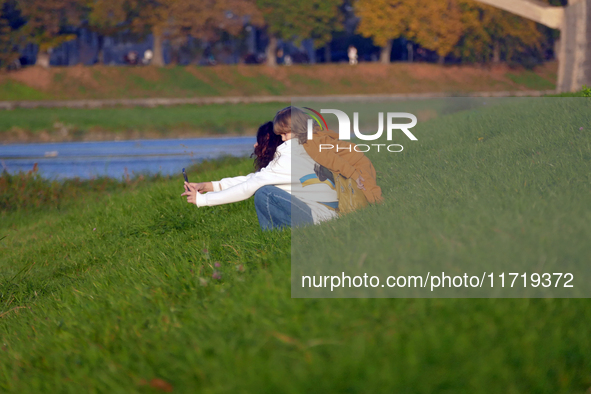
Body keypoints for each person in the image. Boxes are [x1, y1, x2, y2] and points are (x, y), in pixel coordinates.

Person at [181, 118, 338, 230]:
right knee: (263, 187)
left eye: (259, 141)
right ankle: (278, 236)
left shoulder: (287, 160)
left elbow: (249, 186)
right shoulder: (298, 153)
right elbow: (253, 179)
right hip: (324, 214)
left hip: (320, 219)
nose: (255, 145)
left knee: (265, 193)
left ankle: (272, 236)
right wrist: (207, 186)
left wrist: (203, 200)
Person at [276, 107, 383, 204]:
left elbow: (333, 160)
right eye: (280, 135)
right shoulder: (314, 133)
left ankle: (380, 206)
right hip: (356, 157)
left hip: (356, 163)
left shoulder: (310, 143)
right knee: (365, 189)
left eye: (285, 134)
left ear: (297, 128)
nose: (283, 139)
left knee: (368, 189)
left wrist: (353, 175)